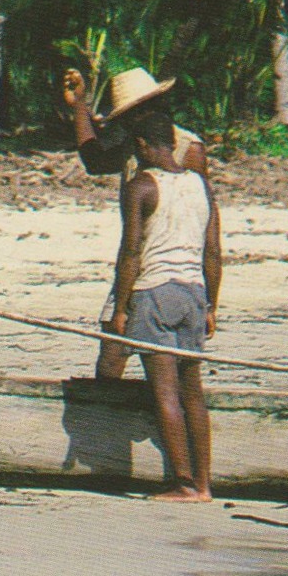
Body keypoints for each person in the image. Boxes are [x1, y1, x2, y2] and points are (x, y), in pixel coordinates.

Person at [61, 66, 208, 379]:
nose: (125, 123)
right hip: (138, 268)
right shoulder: (133, 144)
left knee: (172, 373)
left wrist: (211, 301)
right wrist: (79, 106)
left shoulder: (188, 148)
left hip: (168, 270)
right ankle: (108, 420)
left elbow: (207, 224)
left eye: (130, 116)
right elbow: (95, 161)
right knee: (113, 353)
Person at [109, 110, 222, 503]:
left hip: (154, 292)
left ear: (141, 145)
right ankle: (204, 485)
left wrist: (120, 308)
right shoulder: (202, 186)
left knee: (166, 393)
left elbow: (131, 253)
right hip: (193, 293)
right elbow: (212, 252)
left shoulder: (141, 185)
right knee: (193, 392)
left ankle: (183, 483)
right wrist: (211, 306)